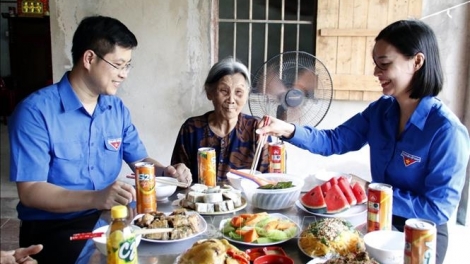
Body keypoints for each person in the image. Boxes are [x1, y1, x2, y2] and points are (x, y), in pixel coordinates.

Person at [256, 19, 470, 264]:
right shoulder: (381, 111)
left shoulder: (447, 131)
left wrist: (371, 192)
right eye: (375, 64)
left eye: (384, 64)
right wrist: (287, 129)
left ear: (417, 62)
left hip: (420, 238)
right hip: (378, 223)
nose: (376, 73)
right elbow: (333, 141)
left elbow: (438, 209)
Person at [8, 16, 192, 264]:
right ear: (89, 58)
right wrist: (96, 198)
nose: (124, 74)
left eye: (128, 66)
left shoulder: (115, 109)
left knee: (175, 247)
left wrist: (167, 171)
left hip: (109, 218)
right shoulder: (35, 112)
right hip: (55, 228)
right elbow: (30, 191)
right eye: (118, 65)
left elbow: (140, 161)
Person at [171, 57, 270, 185]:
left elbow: (268, 181)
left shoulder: (257, 129)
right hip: (199, 203)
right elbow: (177, 178)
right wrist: (178, 175)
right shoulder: (191, 129)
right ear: (209, 92)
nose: (231, 99)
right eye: (224, 91)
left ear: (247, 95)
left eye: (239, 92)